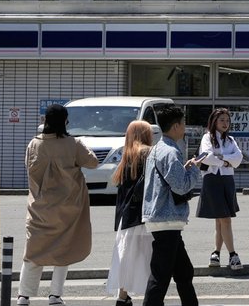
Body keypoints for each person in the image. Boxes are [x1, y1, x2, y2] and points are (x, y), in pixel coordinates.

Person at [17, 104, 99, 306]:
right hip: (67, 208)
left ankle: (24, 296)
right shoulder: (73, 144)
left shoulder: (33, 144)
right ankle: (55, 295)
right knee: (65, 251)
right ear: (64, 121)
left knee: (34, 251)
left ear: (45, 121)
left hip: (39, 207)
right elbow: (93, 162)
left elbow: (27, 165)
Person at [143, 104, 204, 306]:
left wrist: (184, 168)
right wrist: (195, 169)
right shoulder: (170, 151)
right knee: (160, 275)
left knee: (184, 271)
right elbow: (181, 186)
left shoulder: (158, 149)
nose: (185, 127)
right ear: (176, 126)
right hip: (166, 218)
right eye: (184, 123)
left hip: (162, 217)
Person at [107, 120, 155, 306]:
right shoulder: (148, 153)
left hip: (126, 217)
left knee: (126, 256)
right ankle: (152, 297)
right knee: (151, 257)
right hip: (144, 214)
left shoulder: (127, 155)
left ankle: (123, 296)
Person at [198, 107, 243, 270]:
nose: (225, 123)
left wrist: (221, 158)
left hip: (227, 180)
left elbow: (238, 159)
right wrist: (226, 161)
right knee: (224, 219)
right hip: (212, 179)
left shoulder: (230, 140)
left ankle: (216, 253)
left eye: (227, 120)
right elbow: (206, 157)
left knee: (221, 220)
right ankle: (233, 255)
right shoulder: (207, 138)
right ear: (214, 121)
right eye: (222, 120)